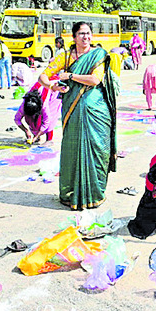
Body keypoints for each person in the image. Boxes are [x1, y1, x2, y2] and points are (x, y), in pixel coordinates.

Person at [38, 22, 118, 210]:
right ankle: (71, 194)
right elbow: (42, 76)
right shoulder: (65, 56)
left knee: (98, 150)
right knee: (73, 150)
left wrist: (70, 76)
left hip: (97, 112)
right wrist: (52, 86)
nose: (86, 37)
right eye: (81, 34)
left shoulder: (98, 55)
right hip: (73, 111)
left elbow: (95, 79)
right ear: (73, 37)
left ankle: (95, 193)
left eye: (88, 33)